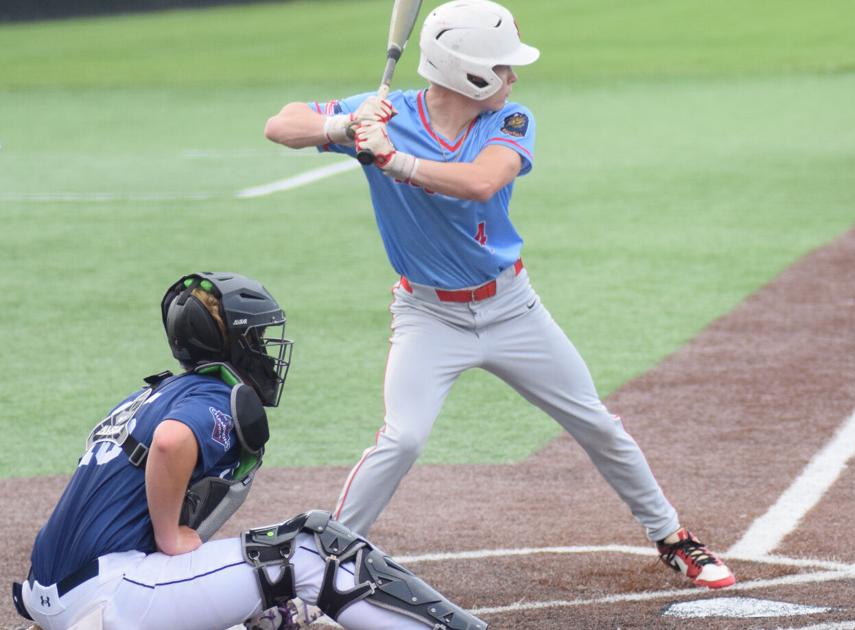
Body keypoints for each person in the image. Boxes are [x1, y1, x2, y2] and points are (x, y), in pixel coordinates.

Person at [262, 0, 735, 589]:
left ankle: (673, 538)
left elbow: (481, 183)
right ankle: (323, 564)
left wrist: (390, 156)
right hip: (427, 315)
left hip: (513, 309)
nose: (513, 78)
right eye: (504, 68)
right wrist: (343, 128)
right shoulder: (380, 113)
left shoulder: (508, 121)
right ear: (469, 71)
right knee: (402, 438)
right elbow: (280, 124)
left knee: (596, 423)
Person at [11, 272, 487, 630]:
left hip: (53, 589)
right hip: (110, 596)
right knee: (311, 548)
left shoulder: (152, 395)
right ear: (232, 345)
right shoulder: (215, 396)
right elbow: (172, 442)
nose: (264, 350)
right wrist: (169, 535)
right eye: (255, 338)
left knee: (264, 601)